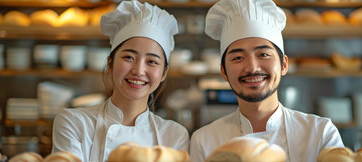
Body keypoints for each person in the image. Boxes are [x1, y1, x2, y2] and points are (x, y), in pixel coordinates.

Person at [189, 0, 344, 162]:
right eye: (238, 58)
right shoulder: (204, 141)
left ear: (284, 65)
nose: (252, 67)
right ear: (224, 71)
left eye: (263, 54)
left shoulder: (320, 133)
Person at [51, 1, 189, 162]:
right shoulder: (74, 123)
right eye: (129, 57)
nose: (138, 70)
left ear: (164, 72)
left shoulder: (174, 135)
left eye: (152, 61)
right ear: (110, 63)